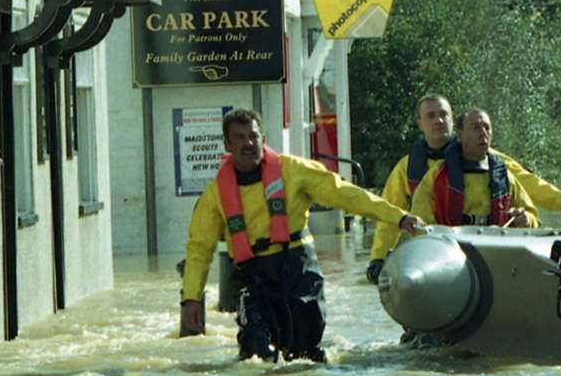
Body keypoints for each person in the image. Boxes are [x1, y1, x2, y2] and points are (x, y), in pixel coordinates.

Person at [180, 109, 420, 362]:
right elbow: (199, 250)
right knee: (255, 355)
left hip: (298, 268)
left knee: (305, 354)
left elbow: (347, 195)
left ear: (263, 137)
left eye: (253, 136)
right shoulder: (215, 194)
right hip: (252, 276)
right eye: (239, 138)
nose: (248, 143)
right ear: (228, 145)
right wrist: (191, 300)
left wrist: (399, 217)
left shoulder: (293, 170)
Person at [367, 94, 454, 282]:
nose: (439, 120)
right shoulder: (405, 169)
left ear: (452, 119)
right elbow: (389, 216)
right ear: (419, 123)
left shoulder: (484, 161)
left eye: (444, 114)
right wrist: (379, 258)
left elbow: (525, 182)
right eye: (431, 116)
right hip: (427, 255)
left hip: (471, 247)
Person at [410, 111, 538, 228]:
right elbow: (420, 220)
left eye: (487, 127)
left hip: (495, 245)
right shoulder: (437, 175)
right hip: (450, 245)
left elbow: (533, 218)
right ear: (459, 134)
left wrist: (526, 219)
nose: (483, 133)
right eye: (475, 128)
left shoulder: (503, 176)